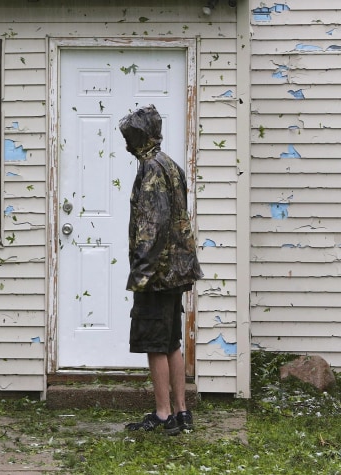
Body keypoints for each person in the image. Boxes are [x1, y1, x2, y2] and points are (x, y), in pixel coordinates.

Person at [119, 105, 203, 436]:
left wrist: (140, 274)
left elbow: (151, 228)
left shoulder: (151, 169)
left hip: (157, 274)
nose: (127, 142)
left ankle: (164, 413)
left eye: (130, 136)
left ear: (141, 136)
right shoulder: (170, 164)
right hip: (177, 271)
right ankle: (182, 413)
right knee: (171, 341)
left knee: (155, 343)